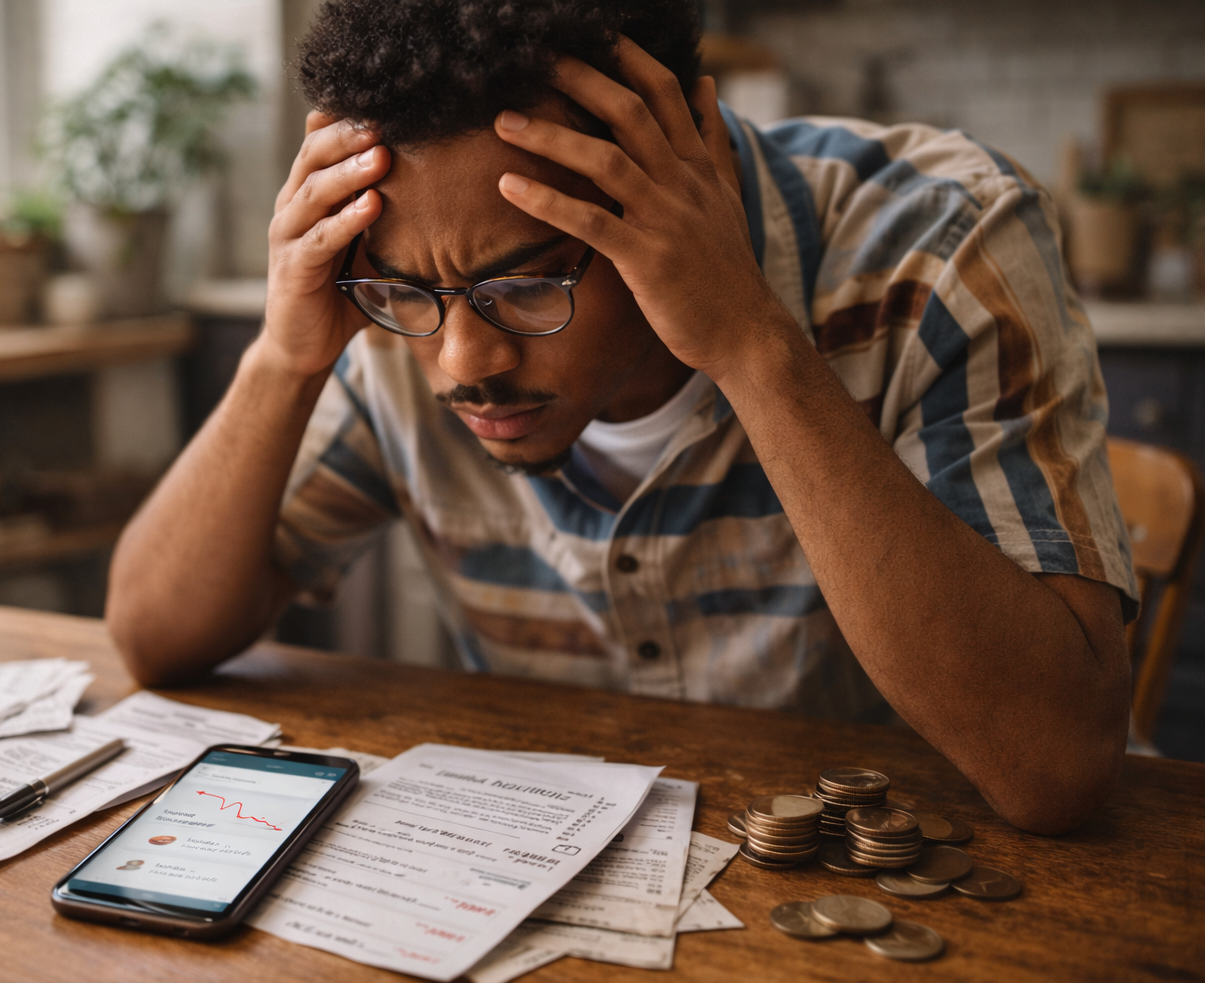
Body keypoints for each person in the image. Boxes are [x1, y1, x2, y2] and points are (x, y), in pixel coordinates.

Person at [107, 0, 1136, 835]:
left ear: (691, 170)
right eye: (407, 292)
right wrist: (286, 355)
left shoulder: (939, 240)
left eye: (527, 284)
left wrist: (749, 339)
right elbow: (156, 635)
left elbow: (1051, 765)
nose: (462, 363)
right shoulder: (396, 307)